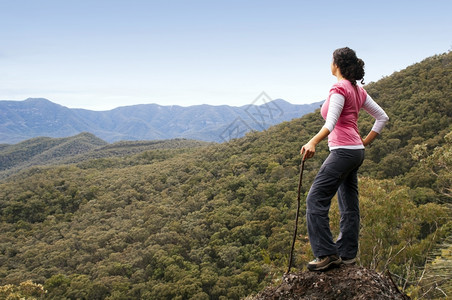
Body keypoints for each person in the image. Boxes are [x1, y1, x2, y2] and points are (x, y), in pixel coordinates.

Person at [300, 47, 389, 271]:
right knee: (349, 203)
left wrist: (312, 142)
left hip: (343, 151)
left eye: (331, 61)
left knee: (315, 200)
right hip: (356, 152)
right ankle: (347, 254)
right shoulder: (358, 90)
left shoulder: (339, 88)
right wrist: (364, 143)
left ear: (337, 64)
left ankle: (326, 254)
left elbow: (330, 124)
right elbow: (382, 117)